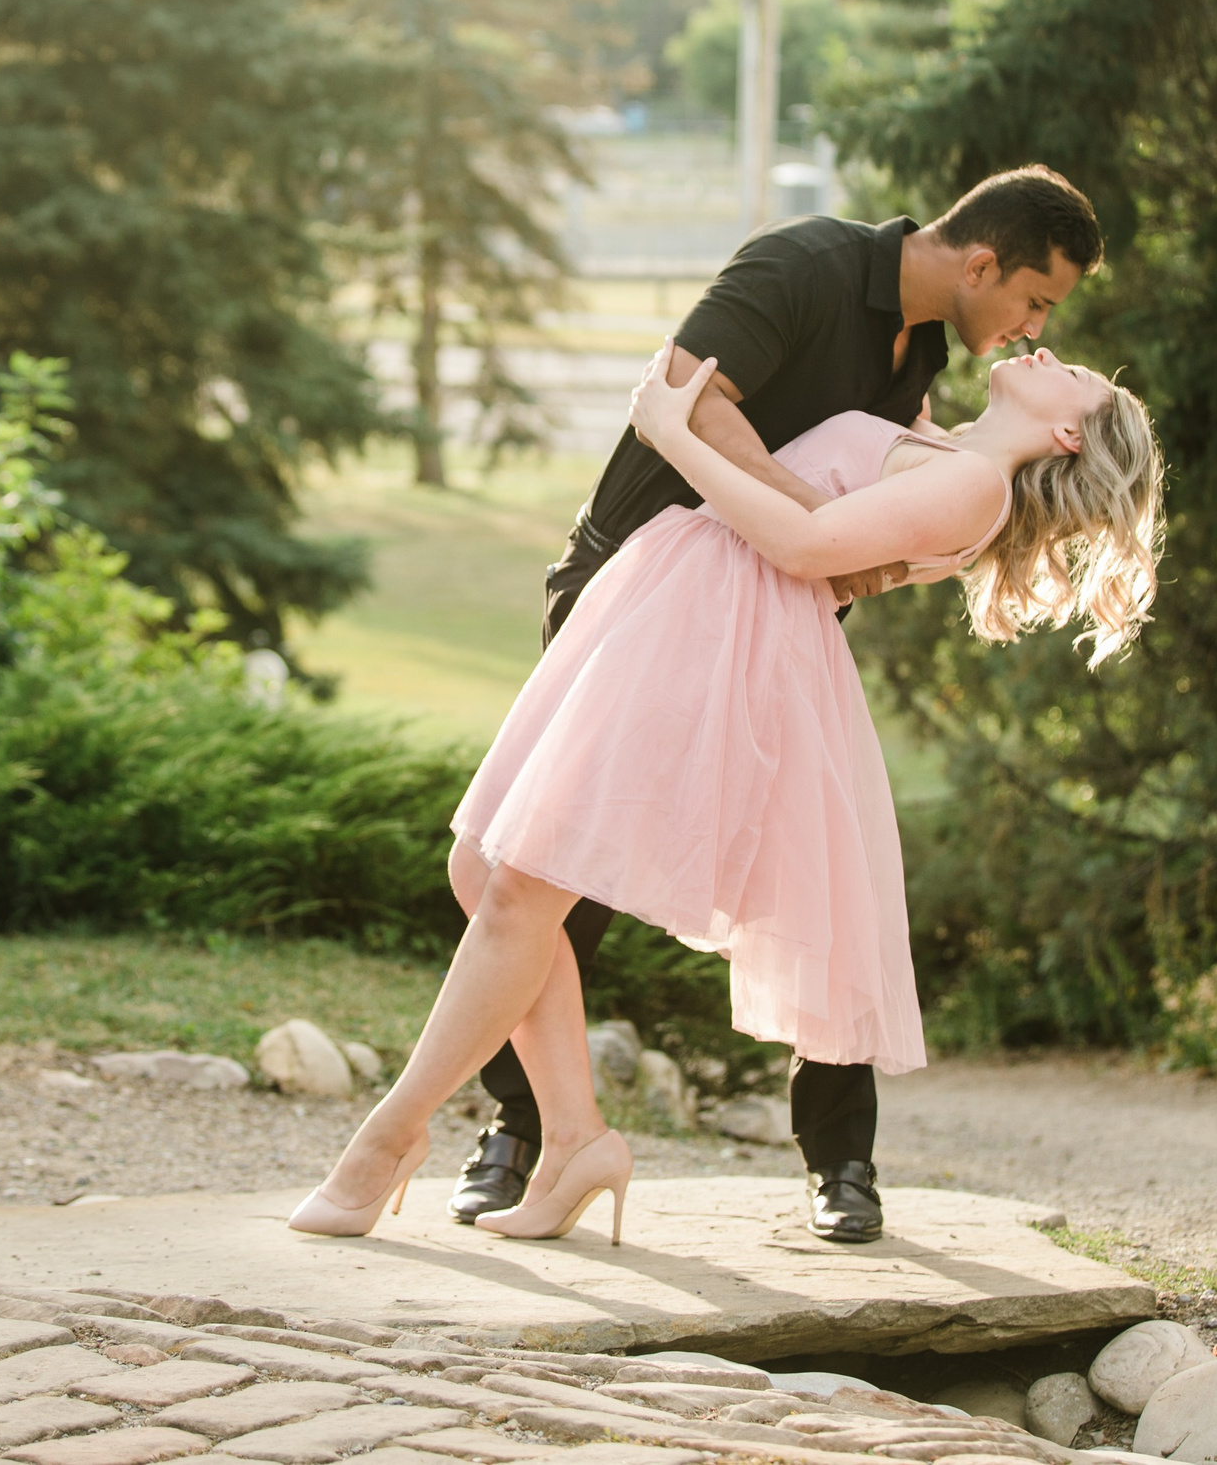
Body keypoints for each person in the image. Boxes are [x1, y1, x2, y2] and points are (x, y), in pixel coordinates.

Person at [285, 322, 1163, 1243]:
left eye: (1069, 374)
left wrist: (672, 434)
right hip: (680, 601)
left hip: (718, 641)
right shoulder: (946, 450)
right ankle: (575, 1134)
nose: (1043, 352)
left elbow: (802, 541)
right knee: (482, 868)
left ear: (1069, 436)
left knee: (517, 885)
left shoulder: (976, 487)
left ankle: (387, 1137)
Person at [453, 165, 1108, 1244]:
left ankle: (840, 1162)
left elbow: (885, 521)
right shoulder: (801, 264)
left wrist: (860, 550)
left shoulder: (927, 356)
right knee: (548, 871)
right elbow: (689, 396)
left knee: (820, 878)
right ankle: (523, 1132)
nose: (1034, 327)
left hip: (775, 628)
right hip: (639, 583)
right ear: (982, 263)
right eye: (1037, 301)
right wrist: (812, 530)